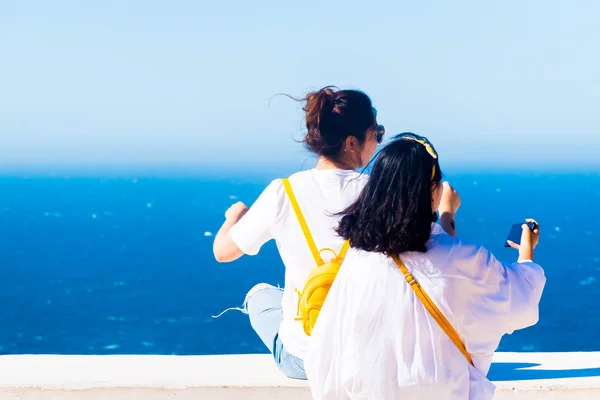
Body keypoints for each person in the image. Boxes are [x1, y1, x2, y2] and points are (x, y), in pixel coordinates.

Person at [305, 133, 546, 399]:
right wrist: (526, 250)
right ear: (433, 190)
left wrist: (446, 217)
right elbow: (520, 301)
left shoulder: (358, 257)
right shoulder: (465, 256)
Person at [212, 86, 385, 379]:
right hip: (369, 359)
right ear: (353, 142)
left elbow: (223, 252)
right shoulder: (383, 194)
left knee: (260, 295)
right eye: (376, 133)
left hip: (306, 361)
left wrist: (234, 218)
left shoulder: (284, 192)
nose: (378, 141)